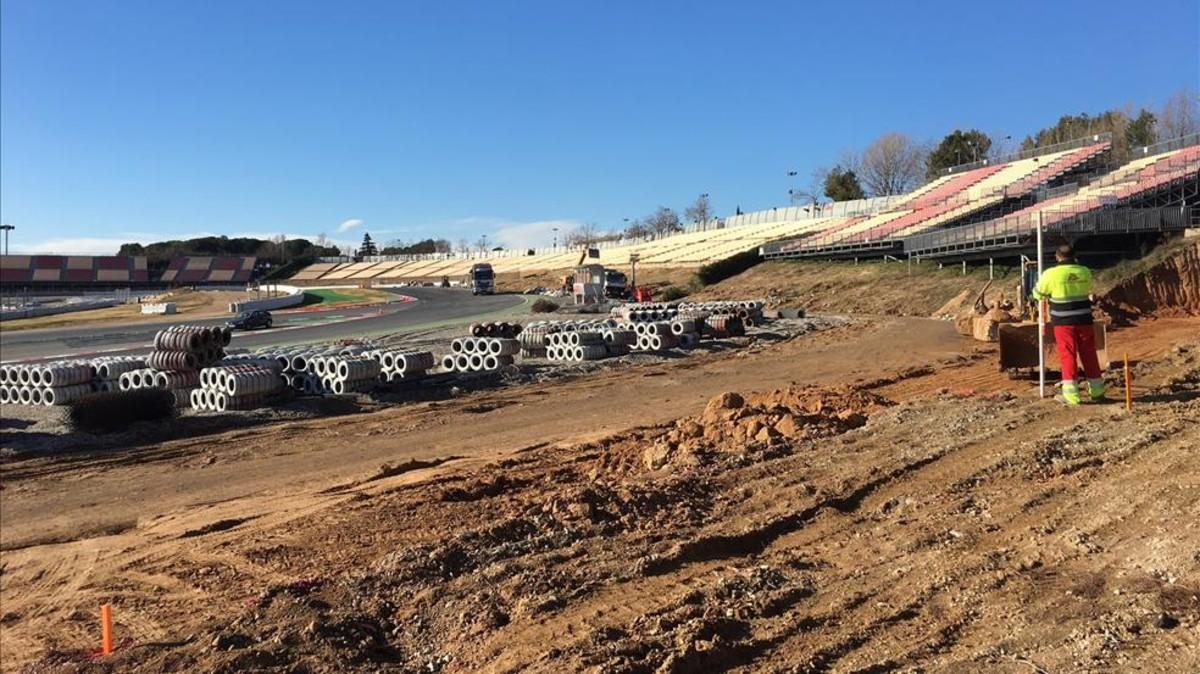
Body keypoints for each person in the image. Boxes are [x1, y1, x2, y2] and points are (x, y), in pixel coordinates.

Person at [1031, 244, 1105, 405]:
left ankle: (1071, 396)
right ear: (1074, 256)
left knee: (1068, 355)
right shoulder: (1085, 271)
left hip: (1063, 322)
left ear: (1057, 257)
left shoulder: (1051, 274)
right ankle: (1097, 391)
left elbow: (1038, 294)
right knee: (1089, 354)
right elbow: (1087, 288)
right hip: (1084, 319)